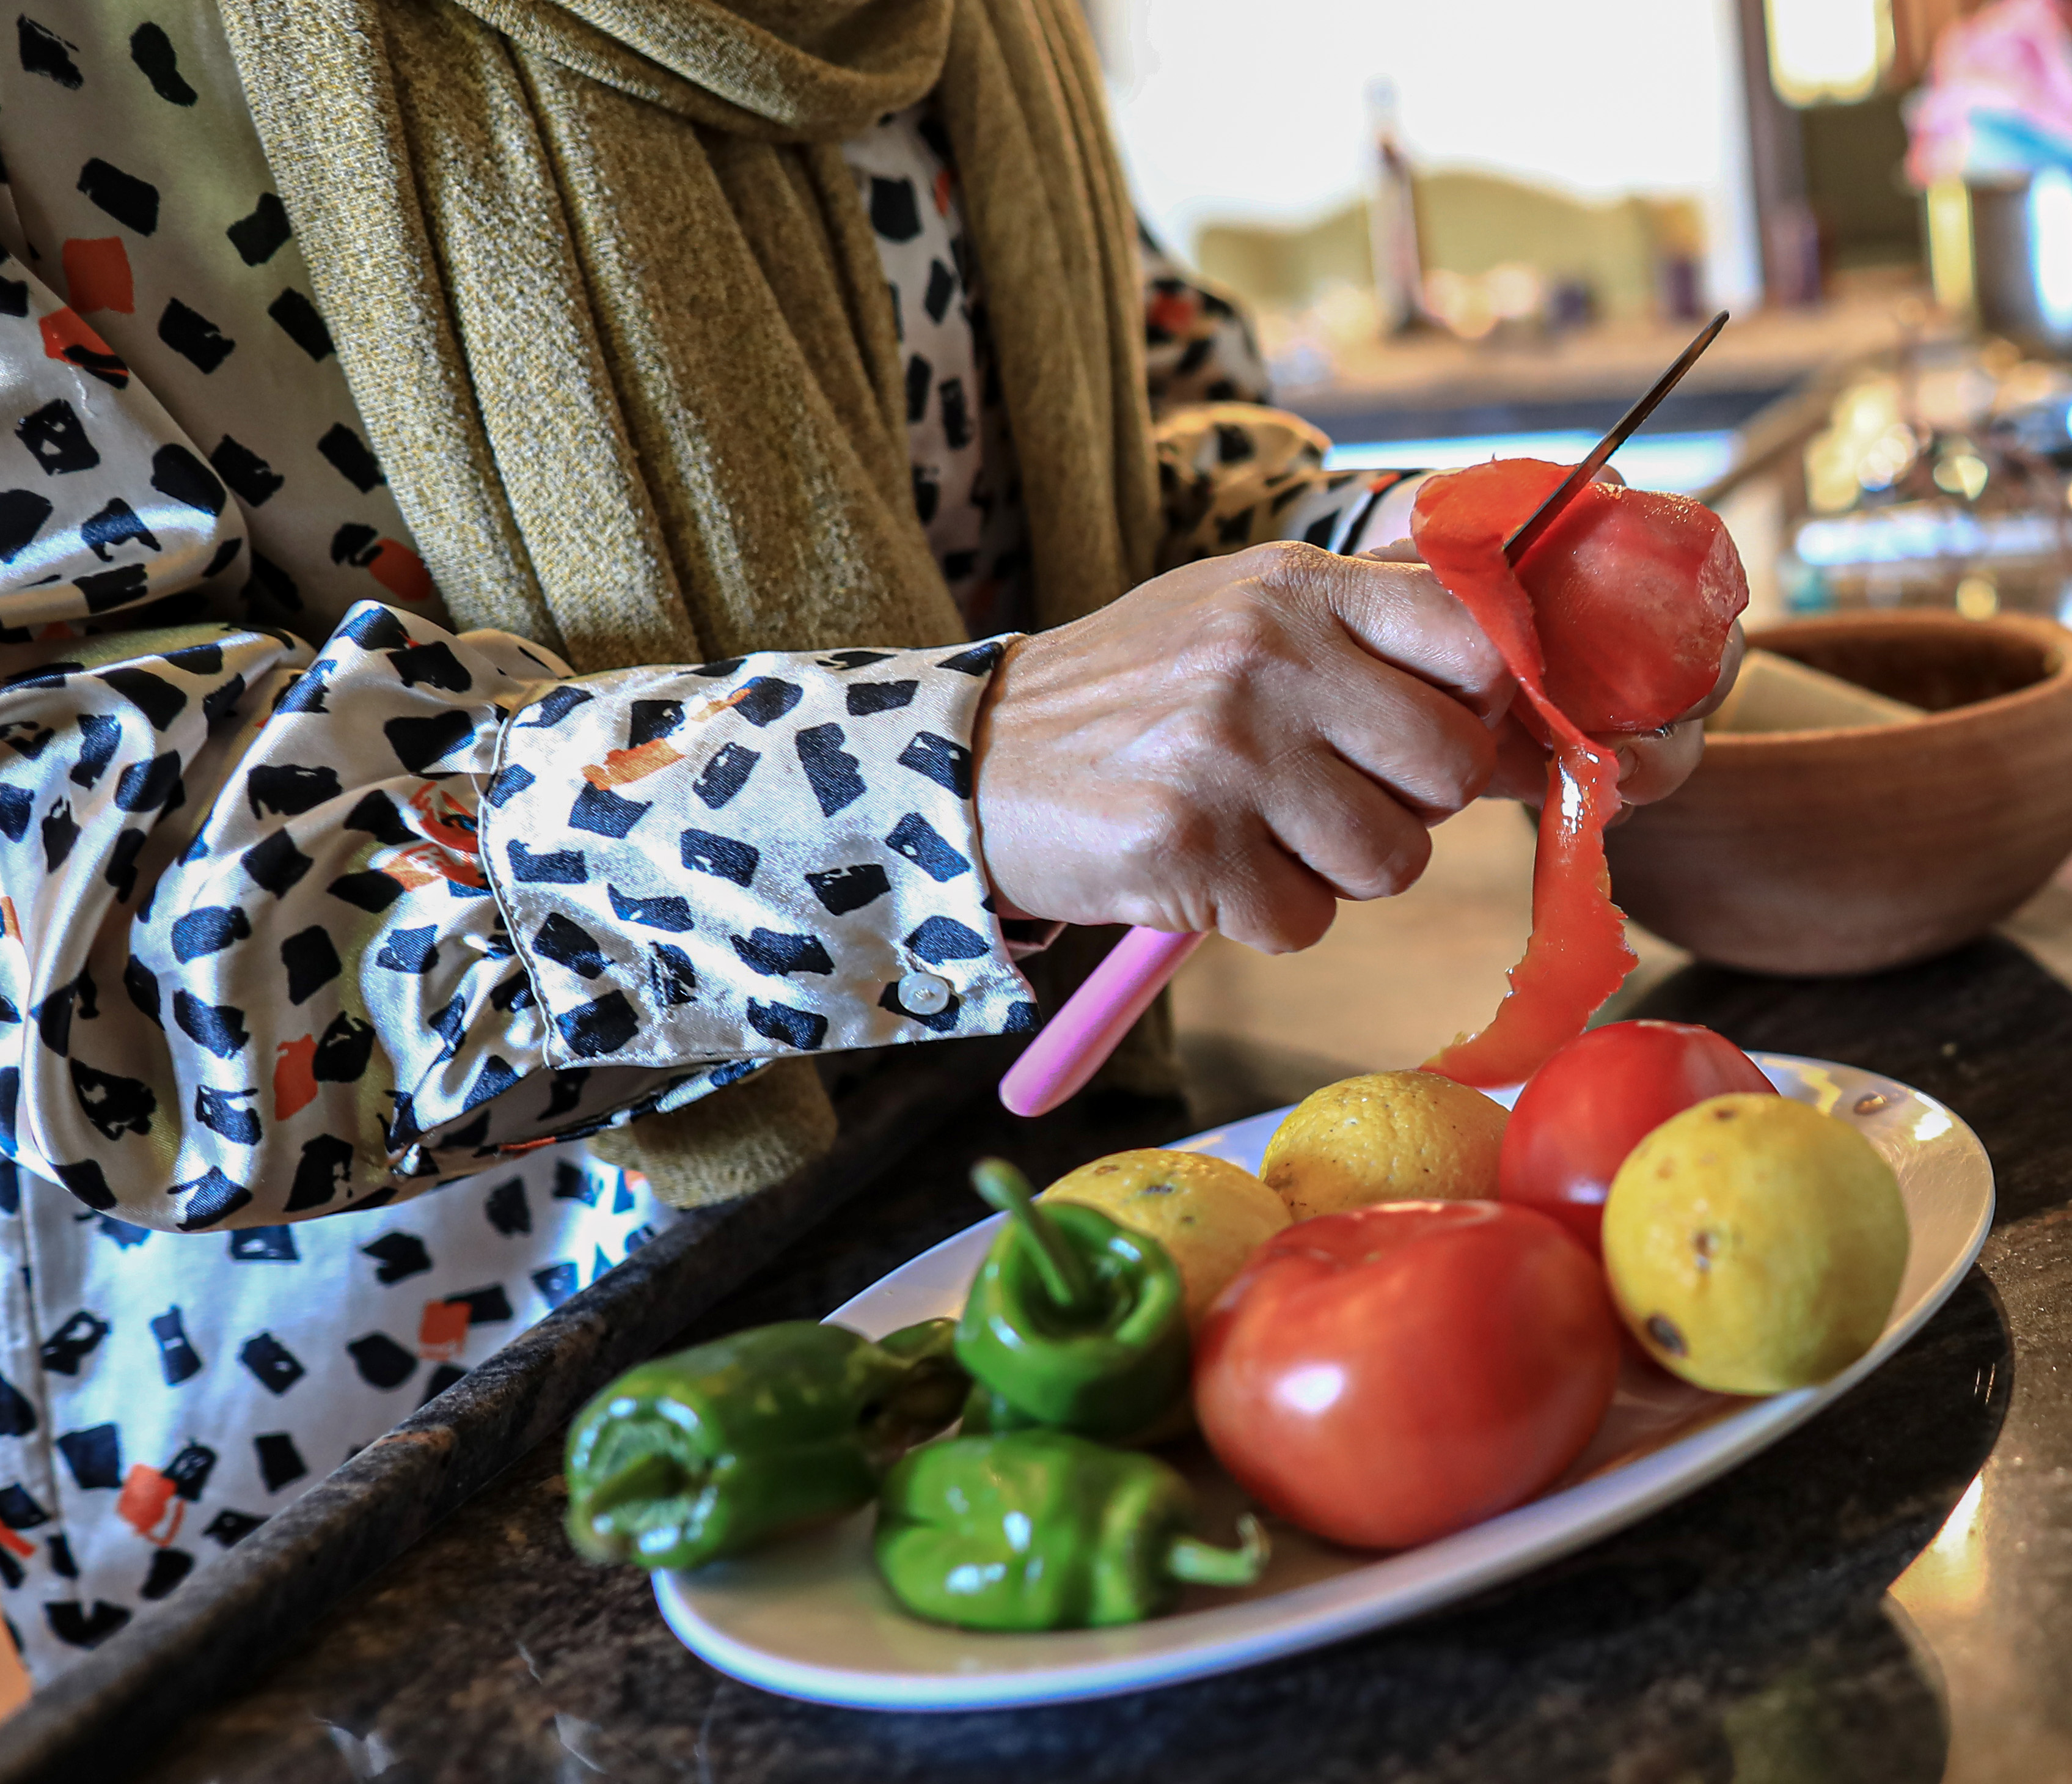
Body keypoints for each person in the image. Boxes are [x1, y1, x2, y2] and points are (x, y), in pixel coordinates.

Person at [0, 0, 1733, 1682]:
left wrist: (1393, 583)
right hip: (418, 1467)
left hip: (1020, 1279)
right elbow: (74, 925)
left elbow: (1121, 454)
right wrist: (932, 782)